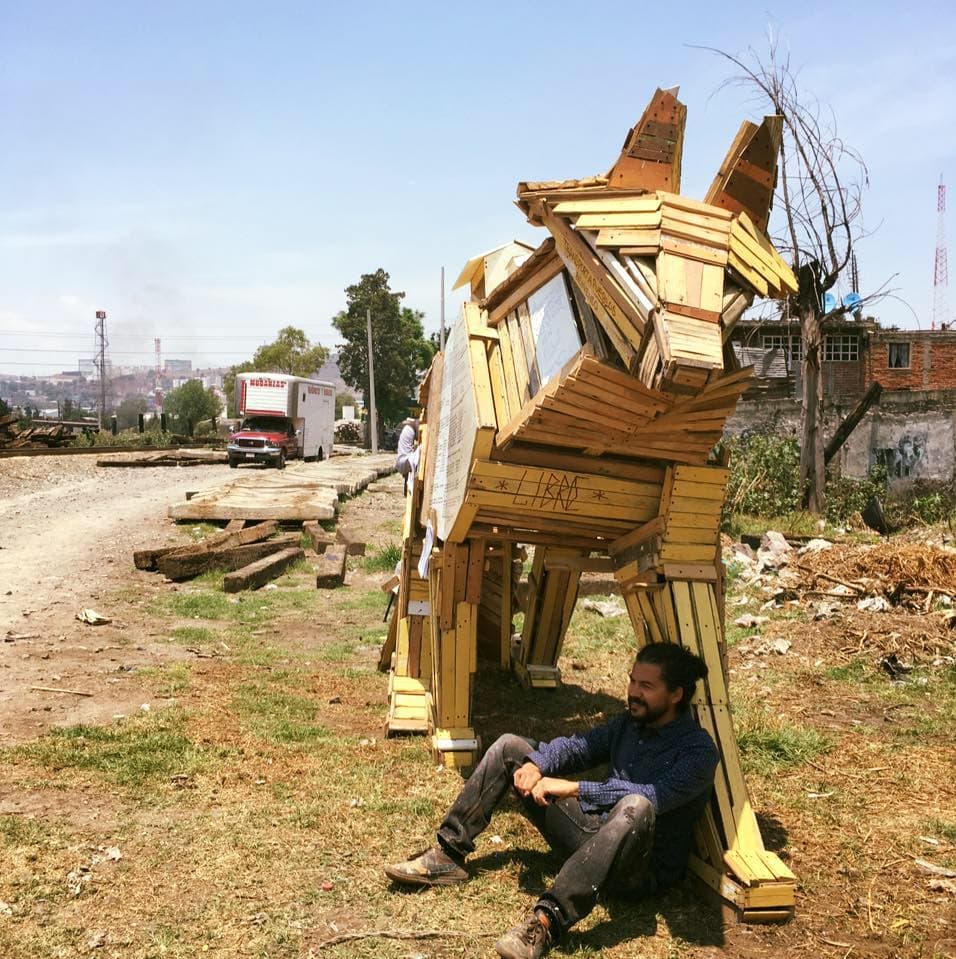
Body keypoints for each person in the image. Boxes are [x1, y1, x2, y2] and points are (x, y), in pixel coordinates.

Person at [385, 643, 718, 959]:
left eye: (646, 686)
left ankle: (545, 924)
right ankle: (448, 855)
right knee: (510, 746)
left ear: (676, 694)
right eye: (632, 681)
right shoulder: (628, 724)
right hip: (592, 834)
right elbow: (579, 746)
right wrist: (537, 765)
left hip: (635, 869)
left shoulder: (699, 752)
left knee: (636, 805)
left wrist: (574, 788)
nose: (633, 692)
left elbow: (652, 797)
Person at [394, 417, 419, 493]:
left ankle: (407, 490)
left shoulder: (408, 428)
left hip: (402, 461)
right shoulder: (410, 429)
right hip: (404, 461)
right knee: (419, 453)